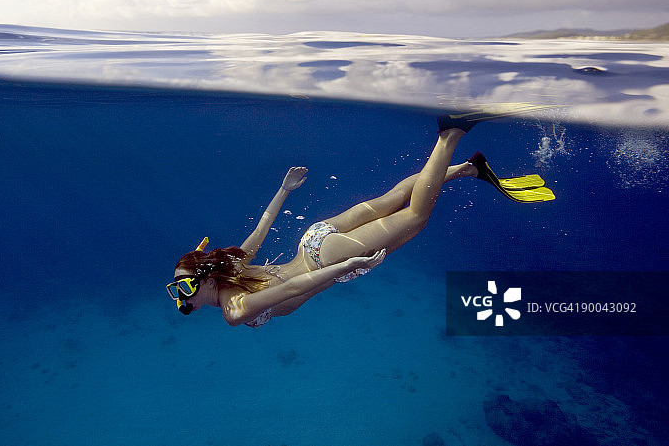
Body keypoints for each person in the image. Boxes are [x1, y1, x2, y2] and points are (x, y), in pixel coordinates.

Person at [166, 115, 554, 328]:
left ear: (205, 278)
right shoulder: (233, 270)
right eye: (178, 292)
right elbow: (260, 229)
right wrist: (284, 190)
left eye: (183, 286)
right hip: (314, 240)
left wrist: (346, 267)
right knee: (392, 199)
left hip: (326, 259)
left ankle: (451, 132)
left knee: (415, 217)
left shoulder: (236, 310)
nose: (183, 296)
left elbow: (292, 288)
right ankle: (467, 169)